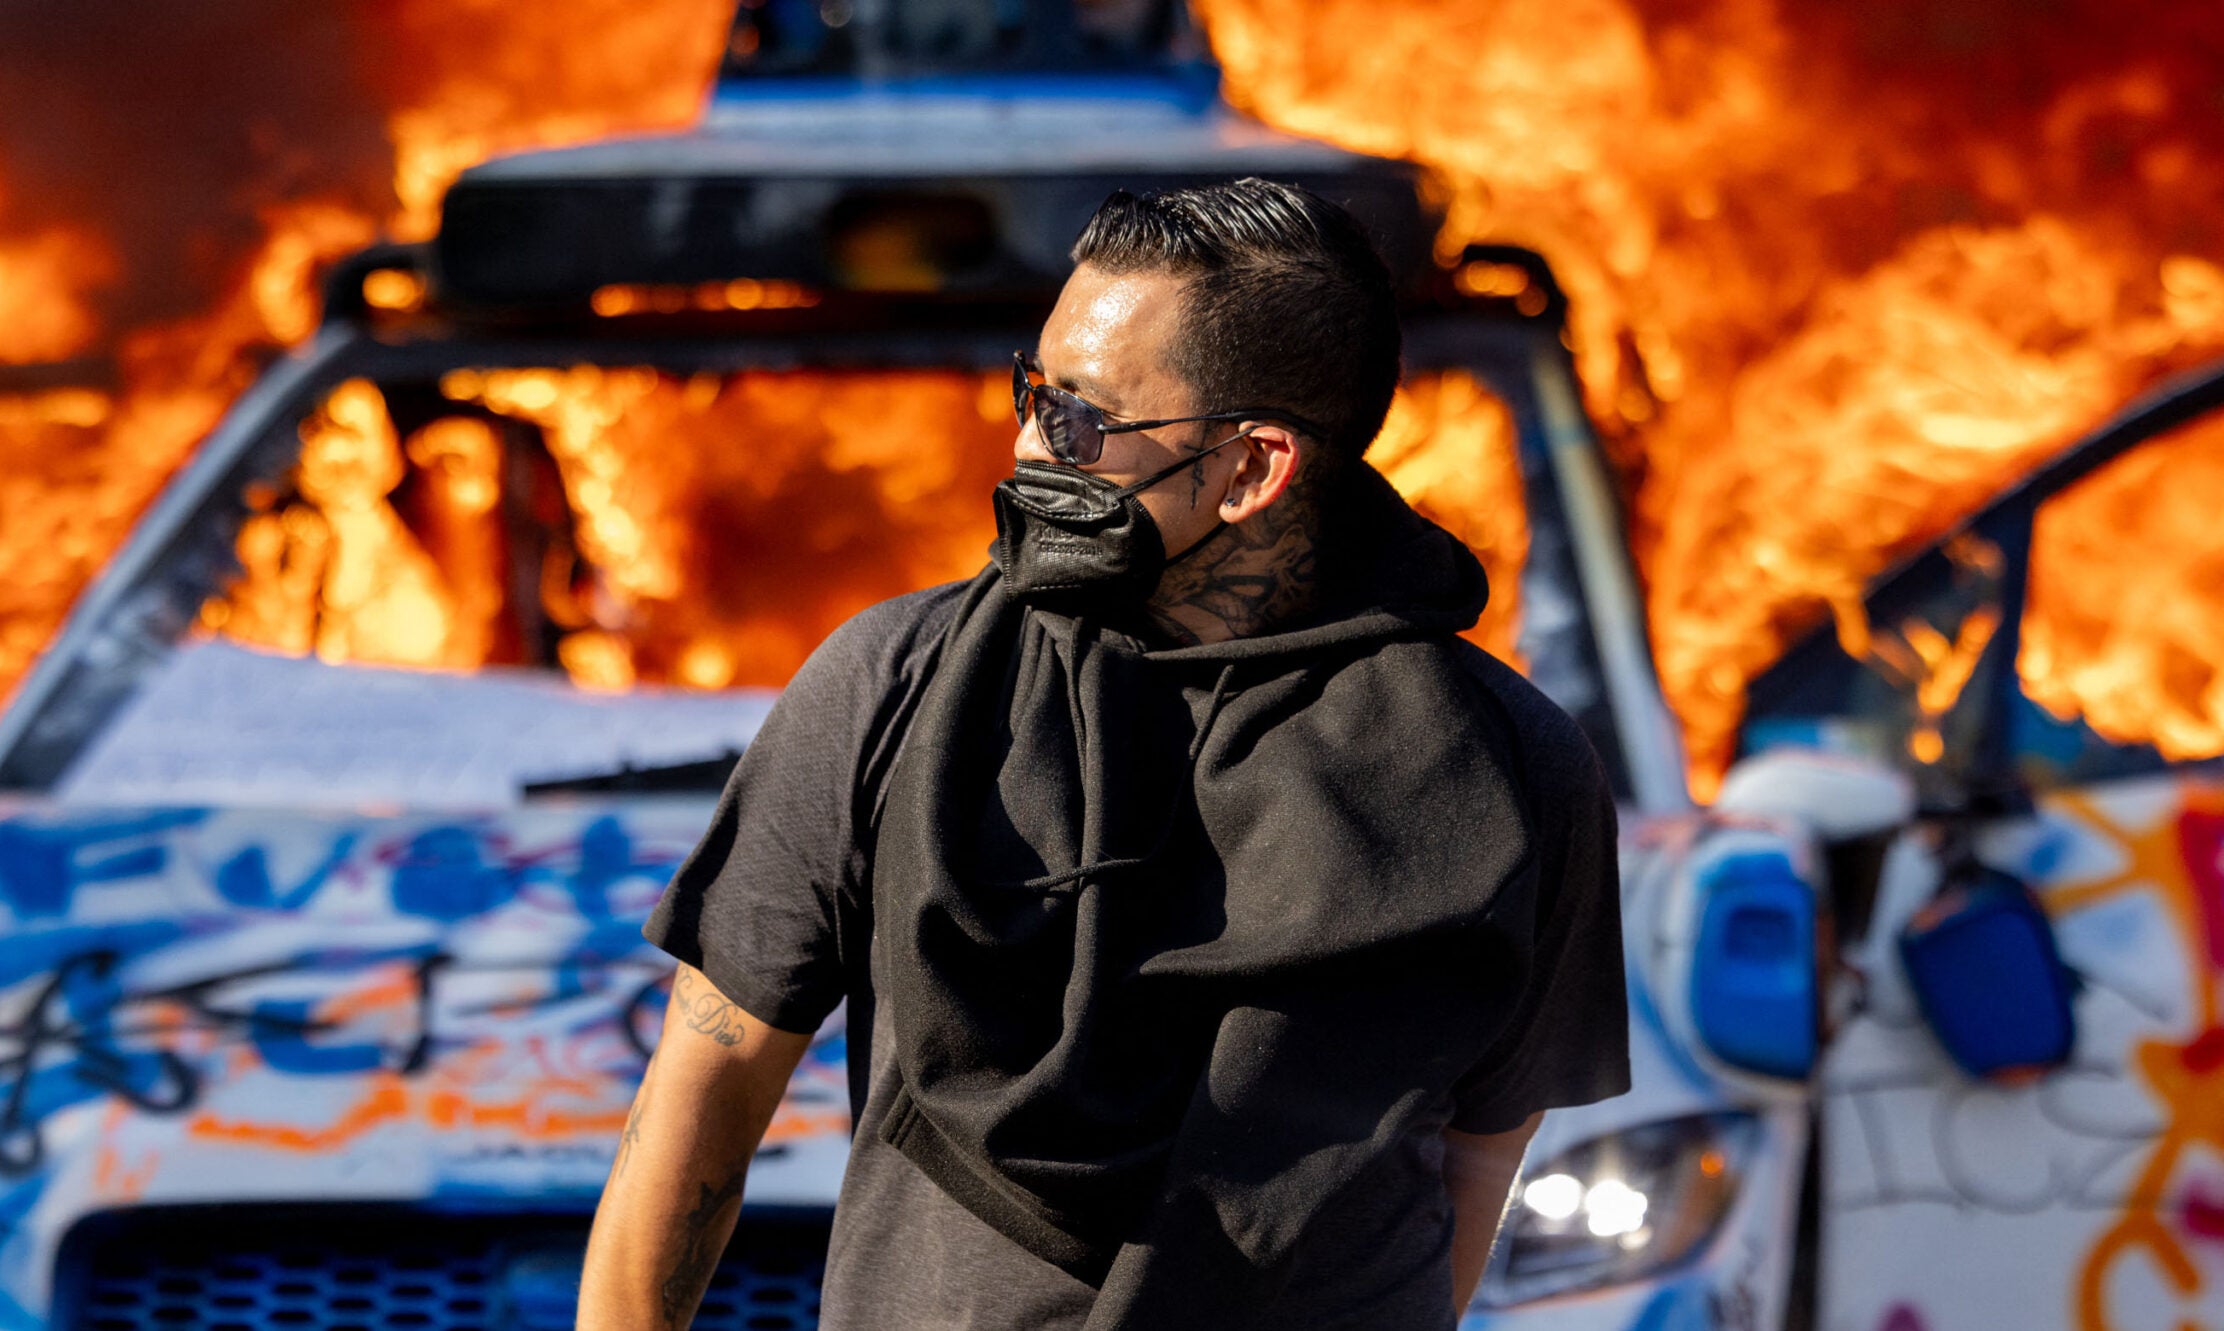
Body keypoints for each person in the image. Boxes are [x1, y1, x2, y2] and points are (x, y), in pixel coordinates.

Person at [578, 178, 1631, 1330]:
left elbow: (1478, 1156)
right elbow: (702, 1096)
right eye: (1031, 391)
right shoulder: (895, 683)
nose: (1027, 443)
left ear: (1253, 468)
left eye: (1079, 421)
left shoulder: (1510, 771)